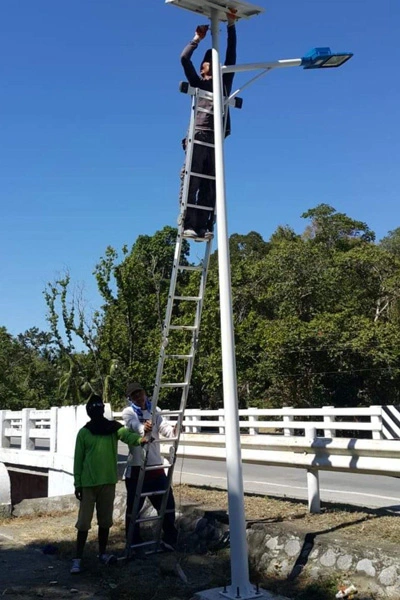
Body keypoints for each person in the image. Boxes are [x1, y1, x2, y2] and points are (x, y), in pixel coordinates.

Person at [70, 395, 147, 574]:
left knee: (105, 521)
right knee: (83, 523)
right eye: (94, 409)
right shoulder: (84, 432)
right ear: (90, 412)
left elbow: (127, 435)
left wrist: (140, 440)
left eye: (98, 408)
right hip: (88, 485)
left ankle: (102, 554)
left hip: (108, 482)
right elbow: (78, 460)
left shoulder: (113, 428)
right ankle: (77, 558)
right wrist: (78, 484)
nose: (96, 412)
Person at [180, 10, 237, 240]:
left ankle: (203, 225)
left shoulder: (224, 82)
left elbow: (232, 55)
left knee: (210, 183)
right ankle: (188, 223)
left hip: (216, 138)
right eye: (207, 62)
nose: (211, 64)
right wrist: (196, 39)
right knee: (192, 179)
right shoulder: (198, 82)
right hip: (199, 133)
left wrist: (231, 26)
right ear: (203, 67)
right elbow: (184, 59)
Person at [122, 382, 178, 551]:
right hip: (137, 467)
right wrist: (143, 428)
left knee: (167, 504)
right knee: (134, 509)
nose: (139, 397)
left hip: (155, 465)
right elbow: (133, 425)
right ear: (130, 398)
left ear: (145, 393)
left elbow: (164, 428)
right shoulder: (128, 412)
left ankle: (169, 539)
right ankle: (133, 541)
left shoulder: (154, 409)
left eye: (140, 393)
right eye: (134, 395)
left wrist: (174, 431)